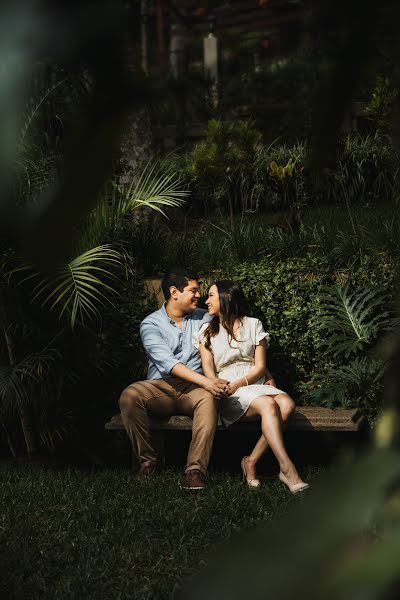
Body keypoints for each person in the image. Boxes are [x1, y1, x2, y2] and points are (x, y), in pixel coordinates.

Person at [118, 267, 229, 490]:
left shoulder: (204, 317)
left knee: (209, 399)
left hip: (194, 389)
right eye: (194, 290)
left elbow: (238, 331)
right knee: (129, 395)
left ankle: (195, 471)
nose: (199, 295)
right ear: (174, 292)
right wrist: (207, 382)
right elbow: (169, 364)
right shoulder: (150, 324)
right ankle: (148, 463)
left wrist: (265, 373)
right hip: (161, 388)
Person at [194, 280, 309, 494]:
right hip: (227, 390)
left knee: (287, 404)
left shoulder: (254, 324)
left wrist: (240, 383)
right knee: (268, 404)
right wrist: (215, 385)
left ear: (226, 298)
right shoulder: (206, 332)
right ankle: (287, 468)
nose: (206, 300)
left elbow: (260, 367)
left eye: (211, 295)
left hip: (251, 383)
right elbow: (208, 368)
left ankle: (251, 461)